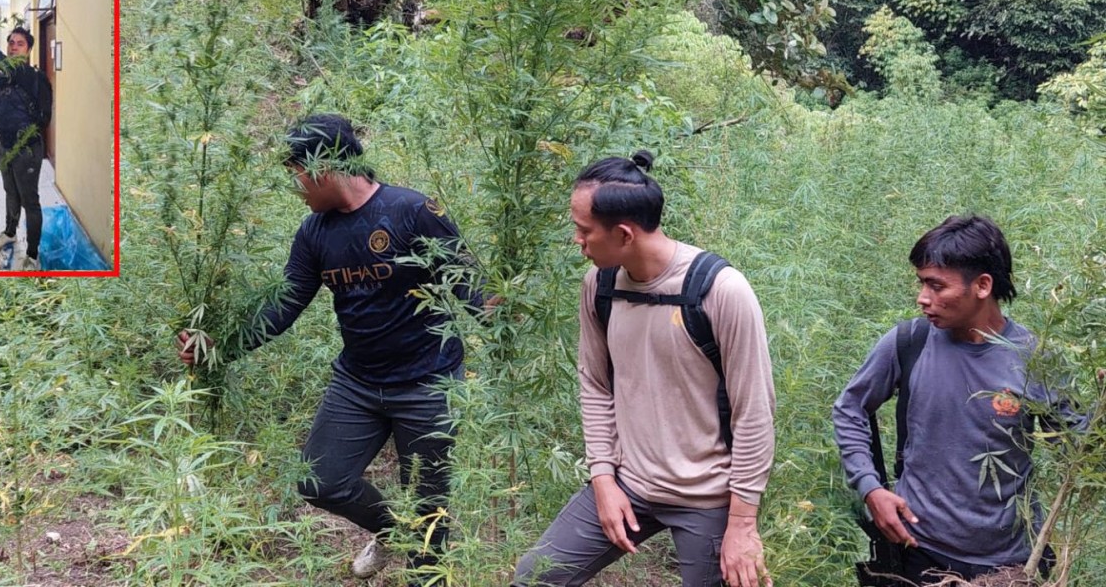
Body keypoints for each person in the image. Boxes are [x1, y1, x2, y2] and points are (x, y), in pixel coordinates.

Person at [178, 114, 483, 585]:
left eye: (295, 173)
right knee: (319, 482)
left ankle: (423, 558)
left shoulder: (414, 211)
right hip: (357, 385)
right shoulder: (314, 232)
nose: (295, 186)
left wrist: (508, 317)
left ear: (321, 166)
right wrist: (220, 348)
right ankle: (393, 531)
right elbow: (282, 307)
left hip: (429, 385)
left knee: (430, 520)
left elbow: (471, 290)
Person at [512, 150, 776, 587]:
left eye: (583, 231)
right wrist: (603, 478)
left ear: (624, 234)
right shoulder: (600, 284)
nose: (577, 241)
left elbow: (754, 412)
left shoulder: (720, 291)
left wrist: (742, 524)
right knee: (534, 578)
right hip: (628, 485)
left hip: (707, 497)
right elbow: (595, 384)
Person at [832, 215, 1084, 584]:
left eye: (936, 286)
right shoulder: (908, 344)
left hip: (1012, 565)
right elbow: (850, 408)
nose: (923, 298)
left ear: (982, 286)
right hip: (921, 553)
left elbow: (1078, 447)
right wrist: (871, 489)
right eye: (922, 284)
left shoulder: (1034, 360)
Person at [0, 26, 52, 270]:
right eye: (11, 42)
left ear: (29, 49)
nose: (13, 46)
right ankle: (10, 232)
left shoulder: (32, 76)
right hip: (5, 146)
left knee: (30, 201)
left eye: (19, 43)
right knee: (11, 192)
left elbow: (45, 118)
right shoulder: (4, 77)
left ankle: (32, 255)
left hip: (27, 149)